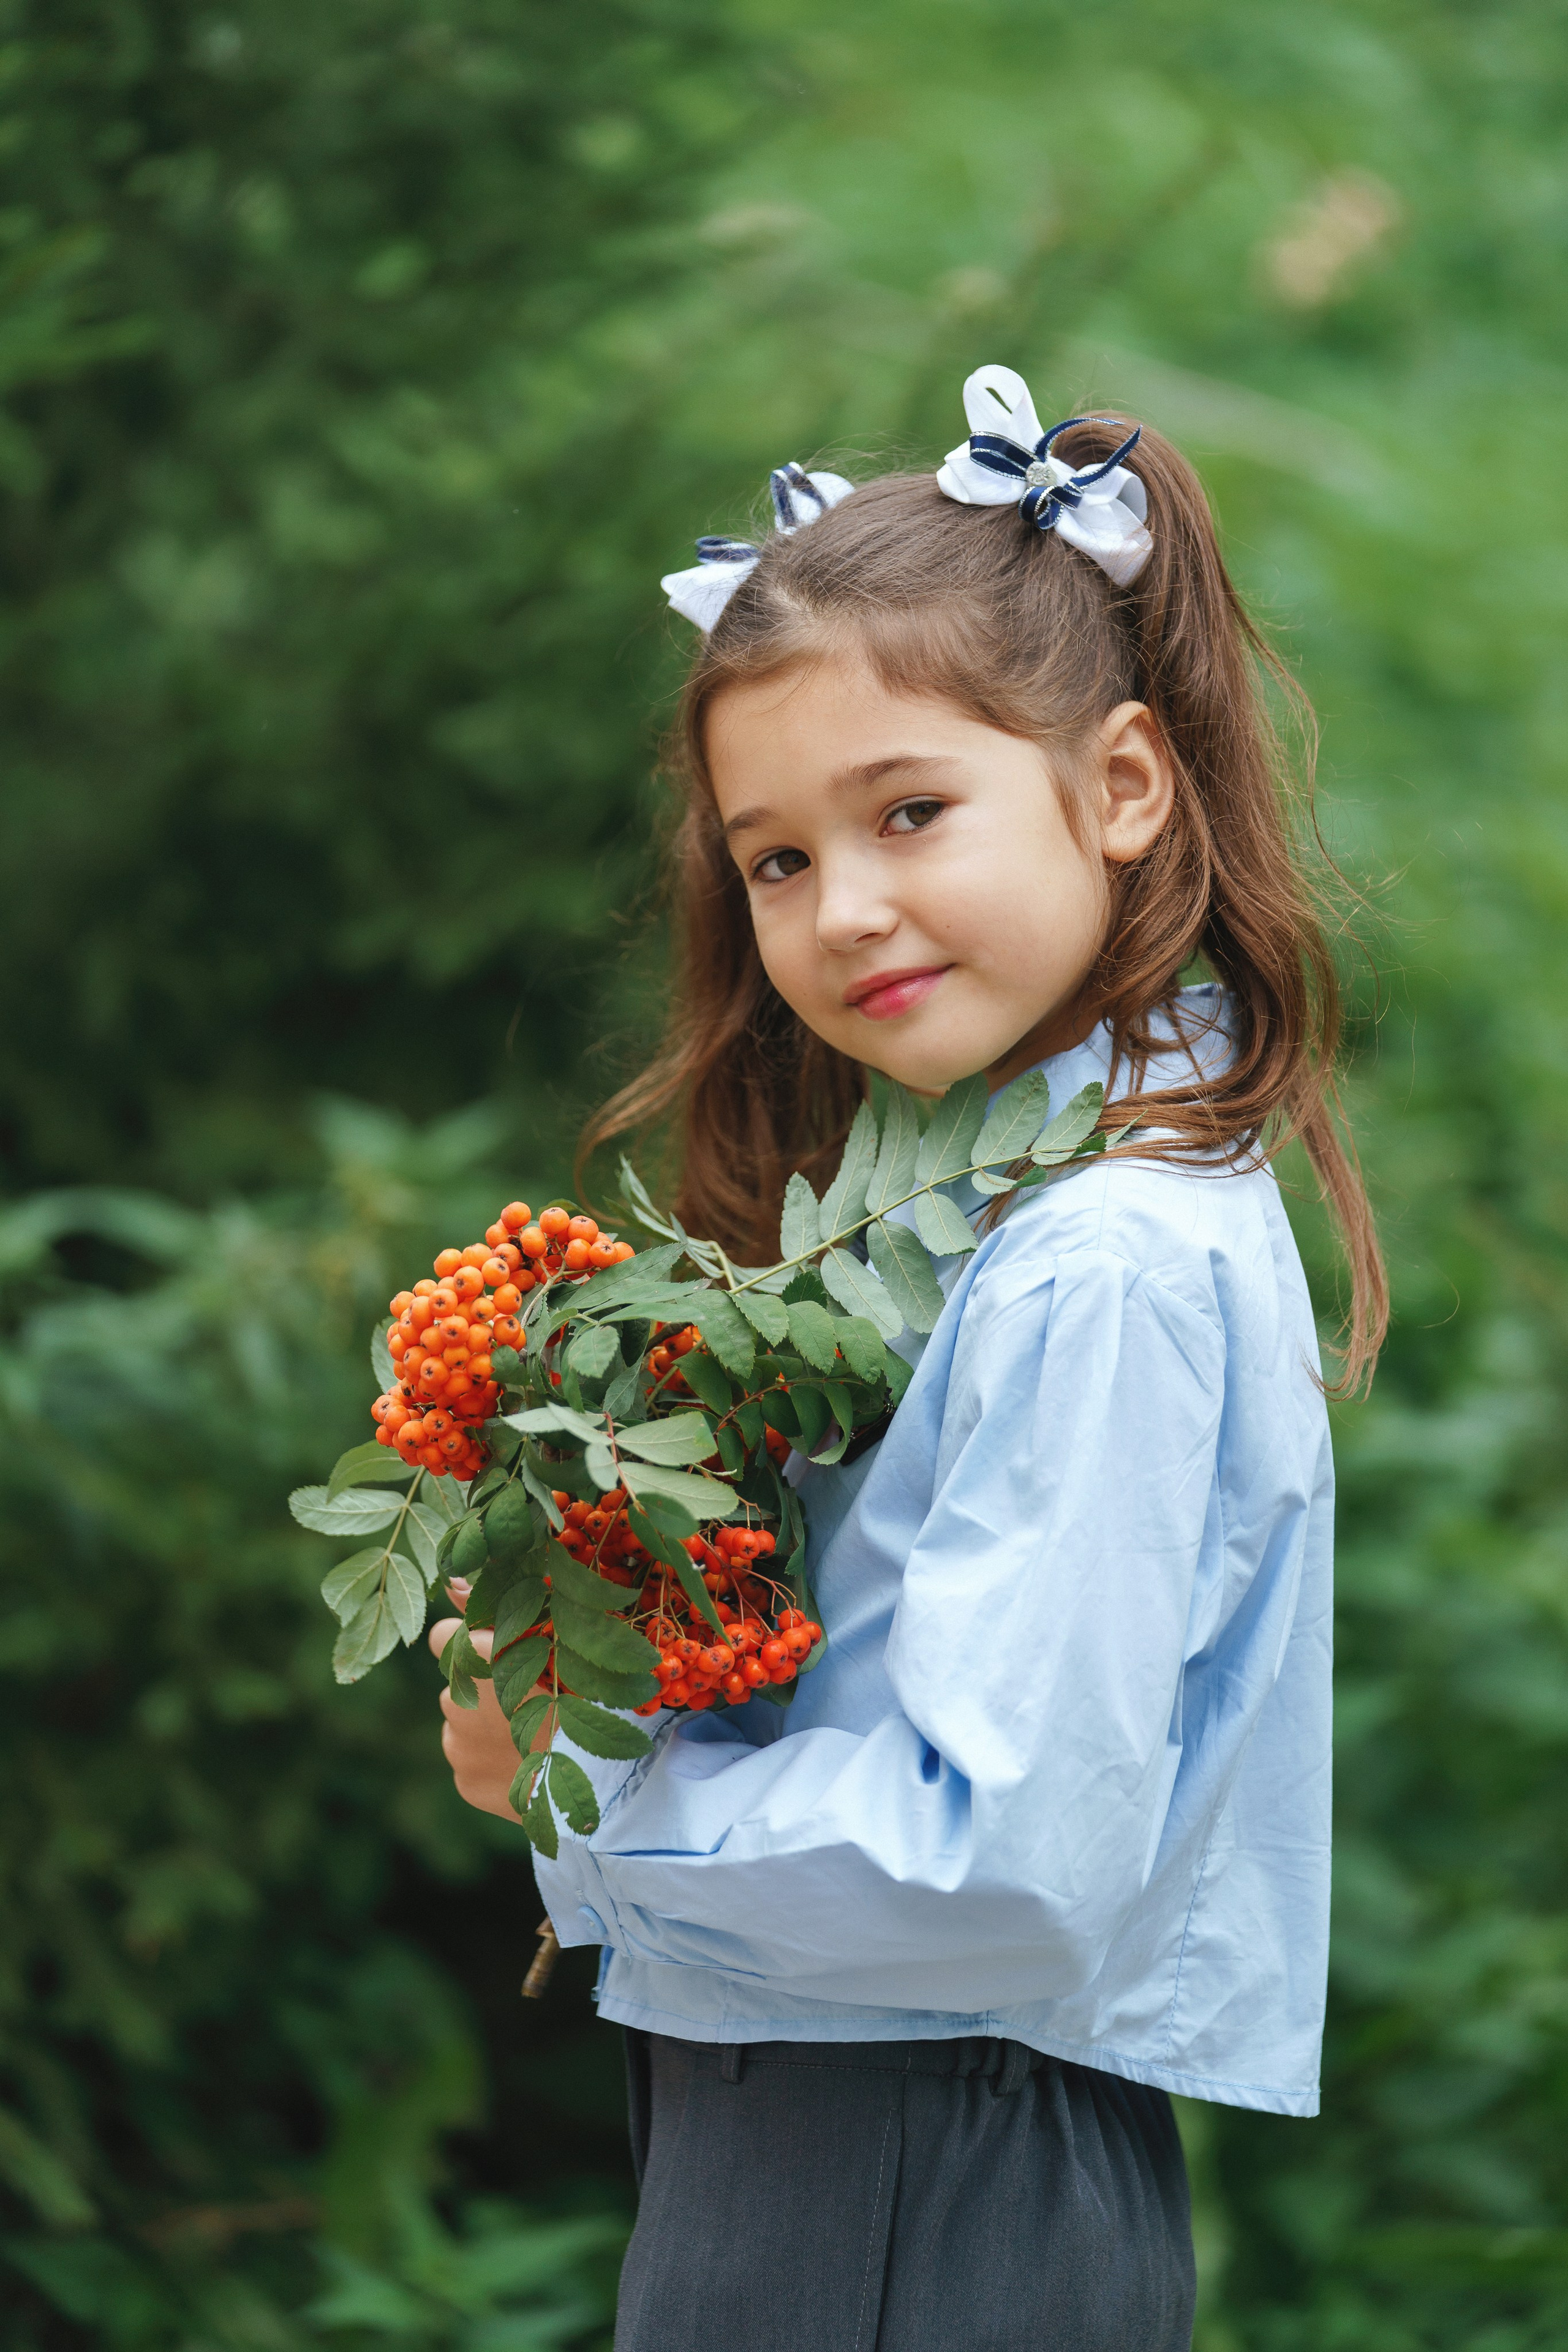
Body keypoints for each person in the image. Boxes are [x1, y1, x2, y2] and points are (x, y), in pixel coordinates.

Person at [428, 363, 1387, 2352]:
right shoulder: (987, 1212)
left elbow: (998, 1866)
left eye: (911, 812)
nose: (843, 906)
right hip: (875, 2136)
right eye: (776, 859)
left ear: (1124, 787)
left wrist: (594, 1790)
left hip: (913, 2159)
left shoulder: (1098, 1261)